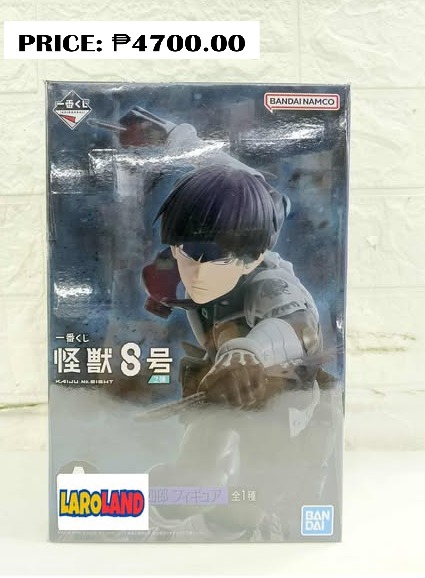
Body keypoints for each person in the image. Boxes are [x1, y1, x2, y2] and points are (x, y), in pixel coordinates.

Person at [143, 163, 323, 413]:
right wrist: (161, 296)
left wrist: (245, 353)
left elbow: (300, 328)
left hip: (282, 406)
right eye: (189, 251)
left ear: (253, 260)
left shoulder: (267, 281)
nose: (200, 273)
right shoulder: (178, 264)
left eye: (220, 258)